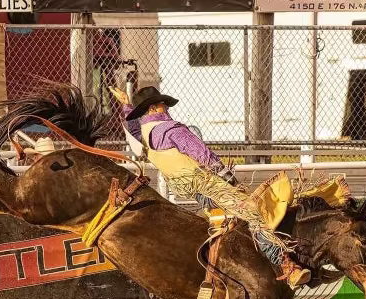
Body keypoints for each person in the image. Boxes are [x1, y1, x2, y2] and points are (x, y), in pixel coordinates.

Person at [110, 85, 311, 288]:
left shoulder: (144, 135)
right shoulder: (172, 130)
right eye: (163, 104)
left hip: (193, 191)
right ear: (153, 108)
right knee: (253, 212)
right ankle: (286, 265)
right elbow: (203, 155)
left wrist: (126, 105)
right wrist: (228, 178)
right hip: (208, 185)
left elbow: (133, 128)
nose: (166, 108)